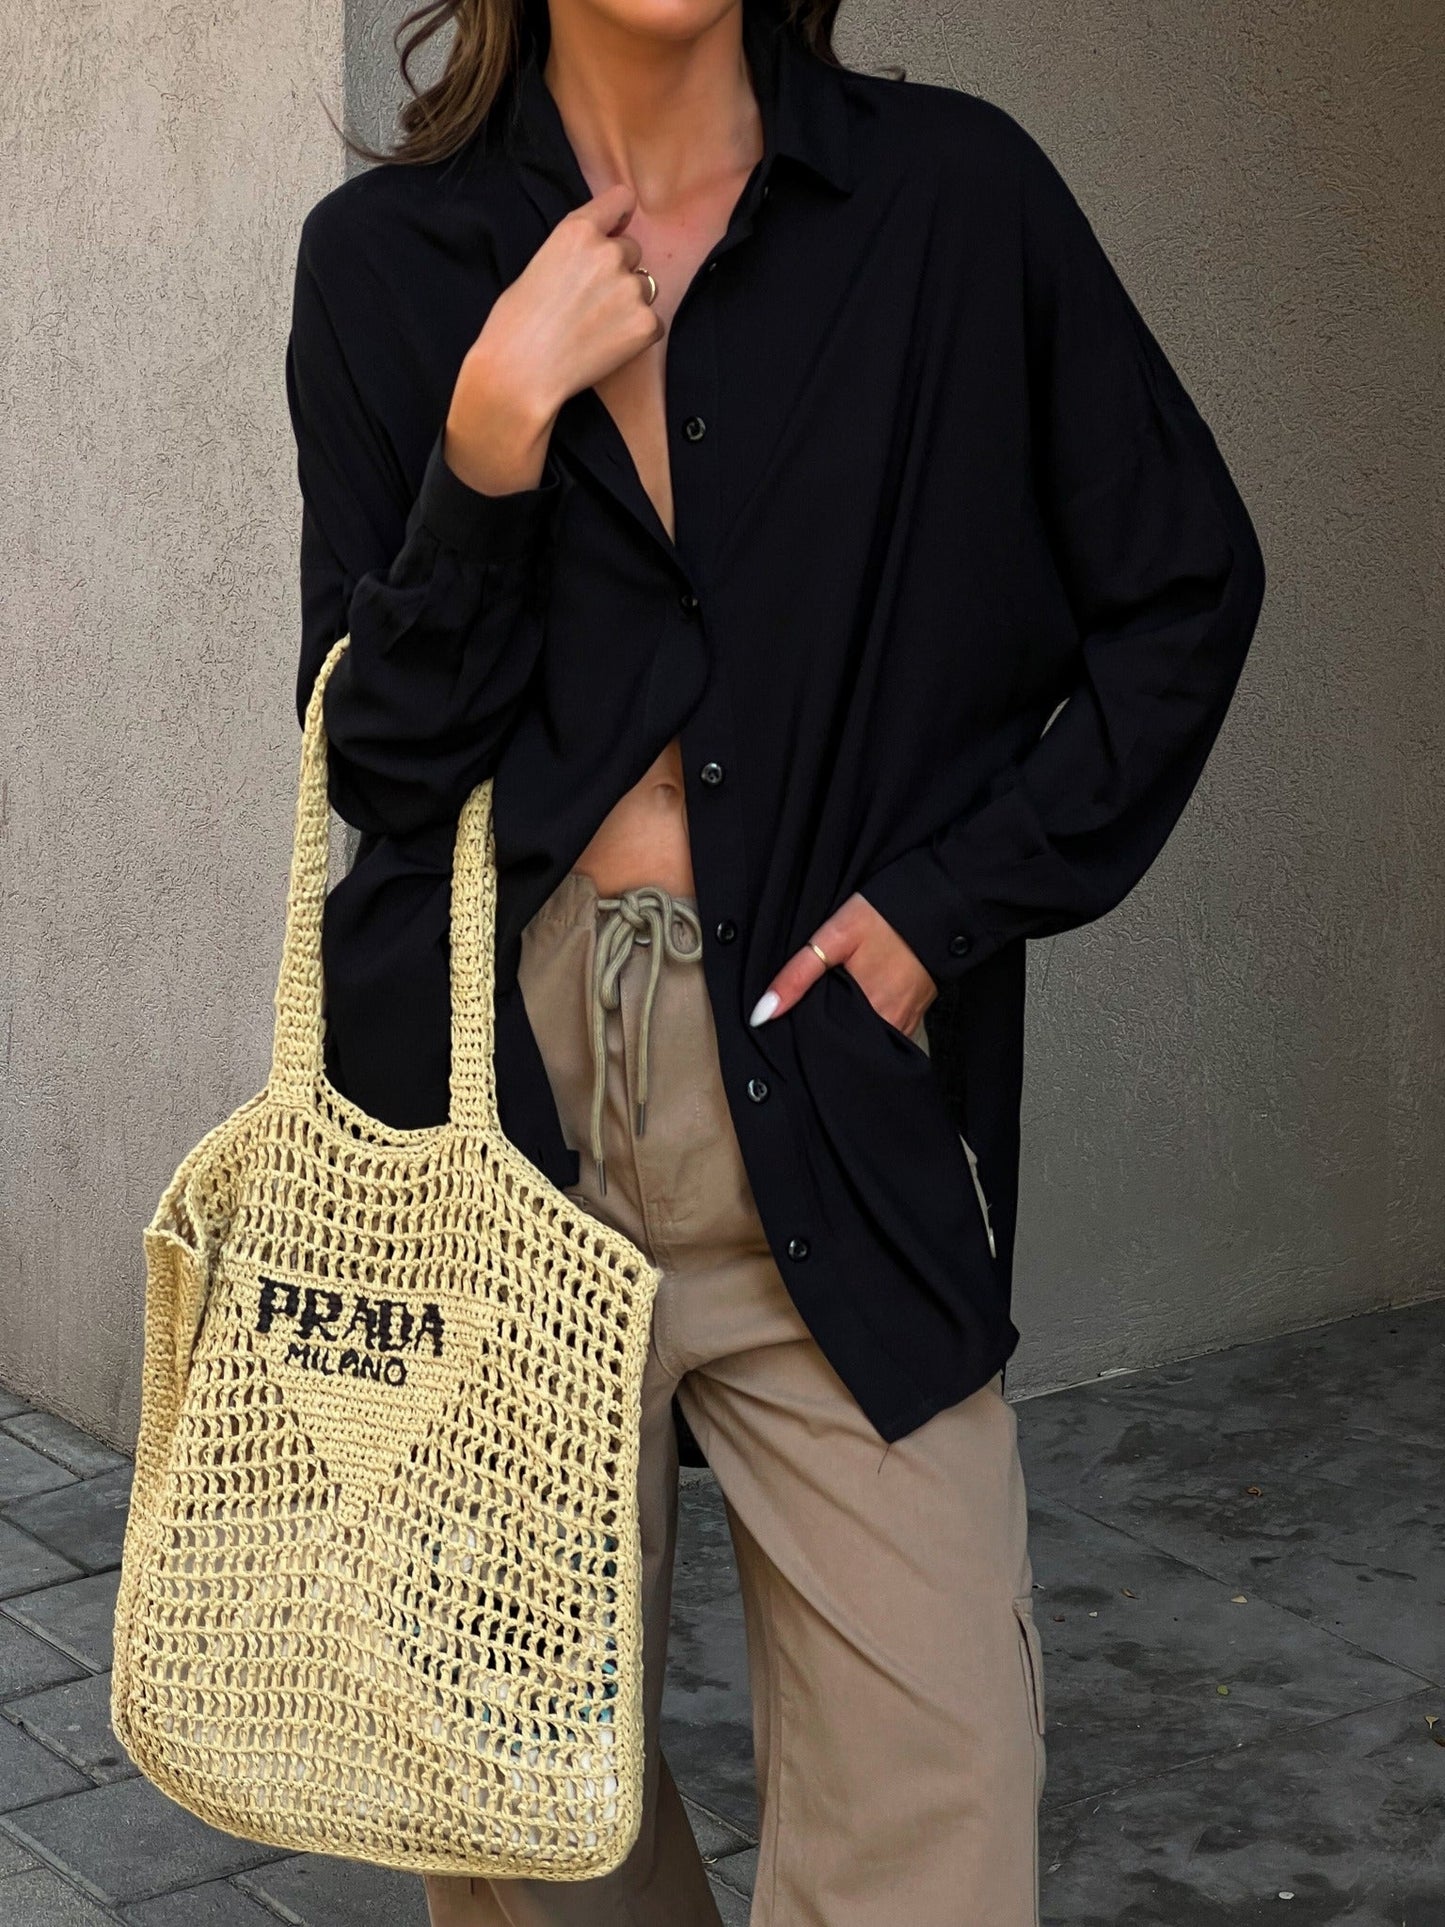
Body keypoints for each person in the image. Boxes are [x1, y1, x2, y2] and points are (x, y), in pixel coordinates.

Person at [284, 0, 1266, 1919]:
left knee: (935, 1792)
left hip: (825, 1065)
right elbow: (378, 765)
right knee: (517, 1812)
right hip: (488, 1100)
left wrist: (940, 913)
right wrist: (488, 441)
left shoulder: (953, 203)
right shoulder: (386, 261)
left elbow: (1182, 590)